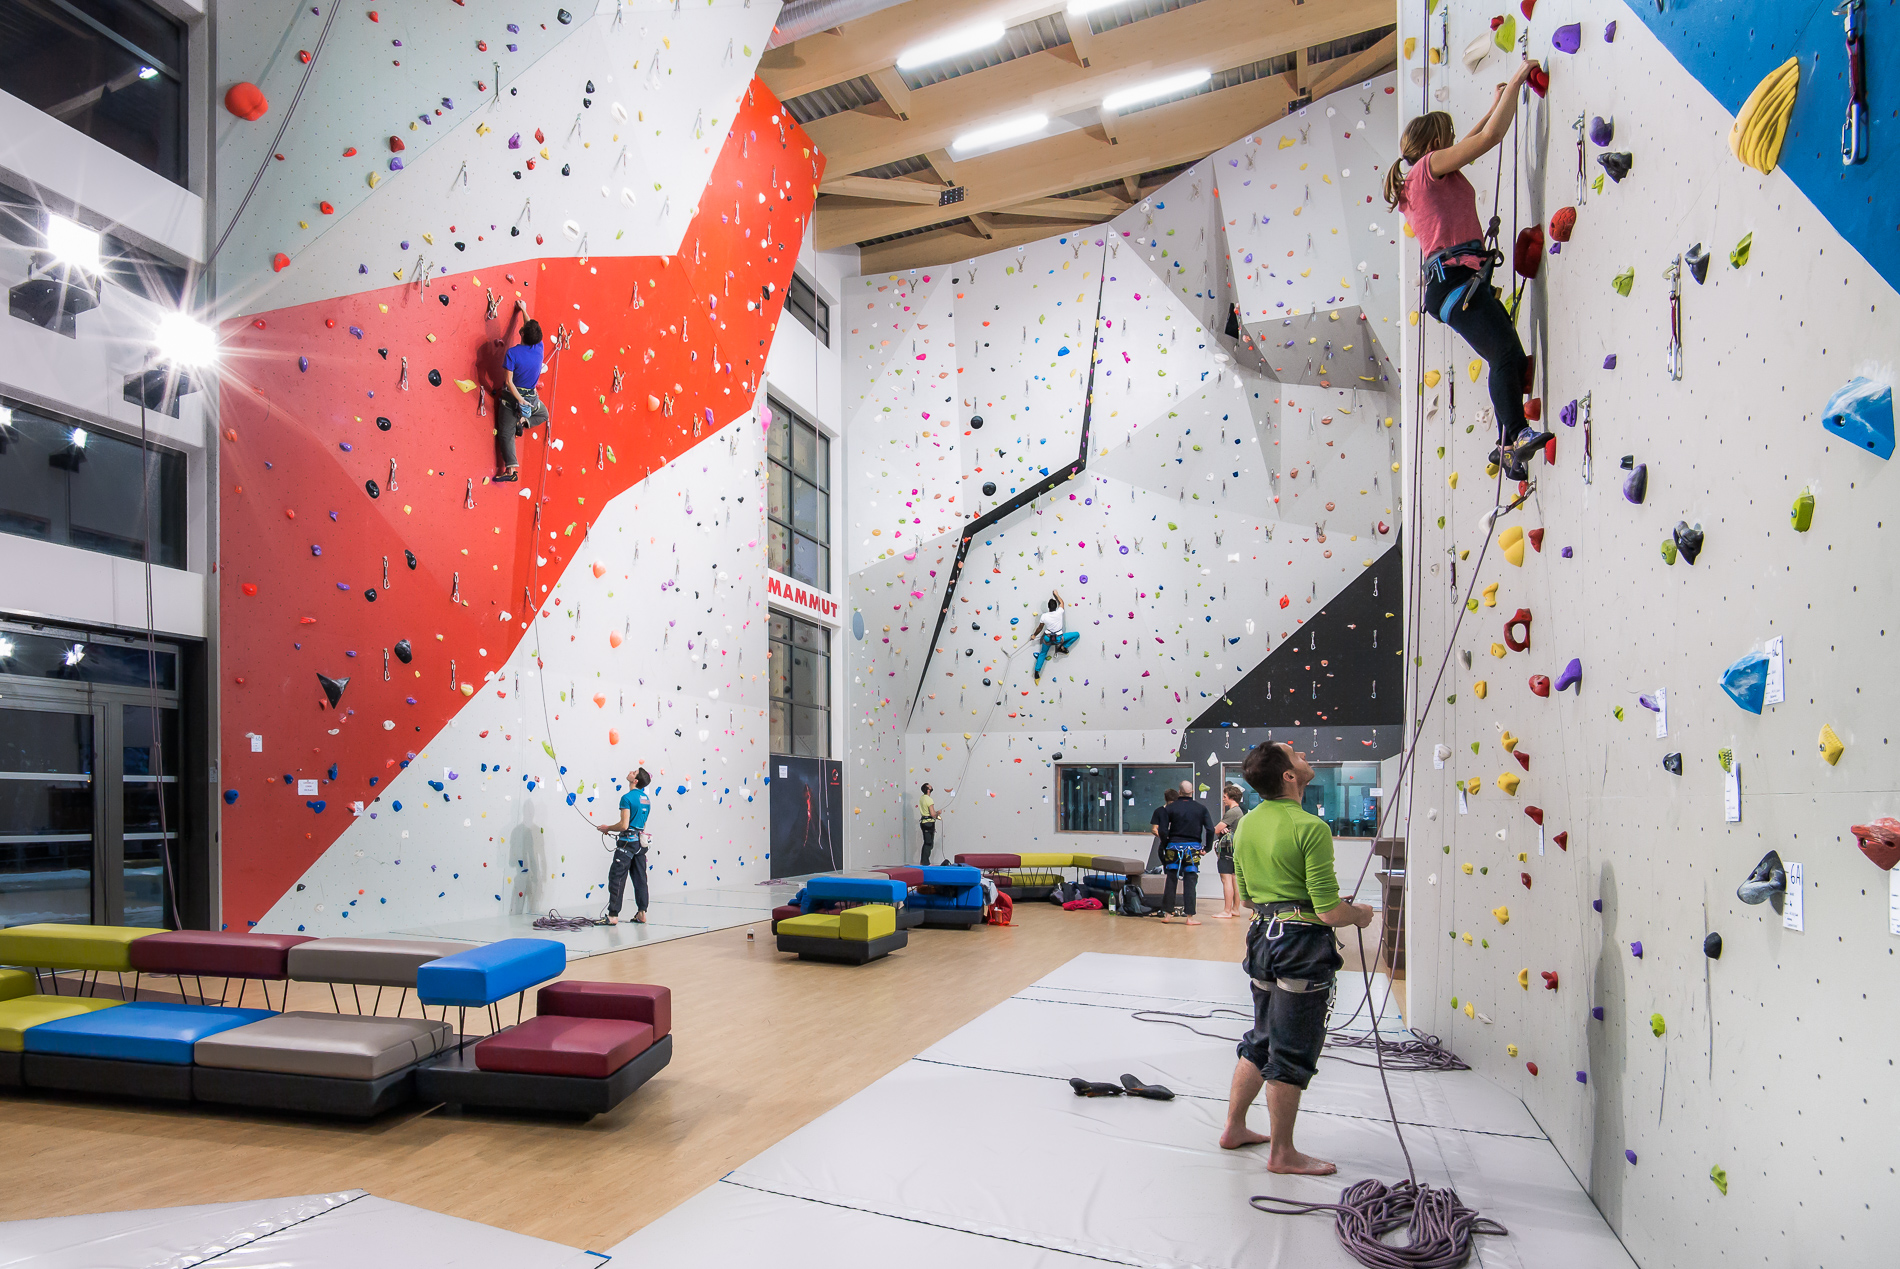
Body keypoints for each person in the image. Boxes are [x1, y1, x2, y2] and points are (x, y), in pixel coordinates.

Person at [1386, 57, 1553, 483]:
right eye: (1449, 139)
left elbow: (1478, 134)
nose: (1455, 144)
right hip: (1456, 281)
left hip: (1456, 282)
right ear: (1434, 145)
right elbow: (1490, 138)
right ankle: (1514, 436)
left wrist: (1497, 100)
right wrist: (1516, 81)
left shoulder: (1417, 181)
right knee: (1504, 356)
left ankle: (1507, 447)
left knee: (1512, 359)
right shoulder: (1427, 171)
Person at [1219, 742, 1377, 1175]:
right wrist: (1359, 915)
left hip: (1262, 941)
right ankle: (1283, 1153)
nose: (1304, 756)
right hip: (1301, 946)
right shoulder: (1310, 828)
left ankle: (1234, 1127)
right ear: (1289, 776)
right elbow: (1329, 913)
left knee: (1262, 1036)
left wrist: (1299, 904)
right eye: (1295, 754)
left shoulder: (1245, 825)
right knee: (1291, 1051)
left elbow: (1250, 898)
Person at [496, 302, 550, 482]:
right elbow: (529, 329)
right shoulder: (539, 347)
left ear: (521, 334)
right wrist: (524, 310)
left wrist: (519, 400)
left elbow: (508, 382)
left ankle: (510, 470)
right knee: (543, 414)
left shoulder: (512, 353)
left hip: (513, 398)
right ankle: (524, 420)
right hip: (532, 400)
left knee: (505, 433)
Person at [593, 767, 653, 924]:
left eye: (634, 772)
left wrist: (607, 828)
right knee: (640, 878)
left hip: (627, 844)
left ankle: (613, 915)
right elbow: (643, 823)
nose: (630, 772)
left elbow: (624, 825)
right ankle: (642, 912)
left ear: (635, 781)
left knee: (617, 877)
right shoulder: (646, 799)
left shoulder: (626, 798)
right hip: (640, 843)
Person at [1159, 782, 1215, 924]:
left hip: (1173, 847)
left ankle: (1167, 914)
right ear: (1192, 791)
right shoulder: (1201, 809)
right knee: (1190, 880)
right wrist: (1206, 848)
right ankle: (1189, 917)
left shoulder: (1170, 808)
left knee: (1171, 879)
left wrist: (1166, 845)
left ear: (1179, 792)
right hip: (1192, 850)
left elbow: (1163, 830)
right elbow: (1211, 829)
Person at [1212, 783, 1245, 919]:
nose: (1223, 799)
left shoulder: (1232, 812)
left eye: (1225, 797)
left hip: (1227, 851)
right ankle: (1235, 909)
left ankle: (1226, 910)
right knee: (1234, 879)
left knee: (1226, 879)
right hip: (1236, 850)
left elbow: (1216, 829)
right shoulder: (1240, 812)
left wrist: (1220, 831)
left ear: (1232, 798)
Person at [1031, 591, 1080, 683]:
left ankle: (1037, 674)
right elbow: (1062, 603)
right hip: (1058, 639)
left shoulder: (1044, 616)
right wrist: (1057, 595)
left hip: (1047, 639)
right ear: (1056, 607)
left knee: (1042, 654)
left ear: (1048, 608)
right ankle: (1063, 647)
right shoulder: (1059, 612)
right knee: (1076, 635)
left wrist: (1034, 635)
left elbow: (1040, 628)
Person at [918, 783, 939, 865]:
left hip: (923, 822)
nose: (931, 786)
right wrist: (938, 813)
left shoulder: (922, 798)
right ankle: (925, 862)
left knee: (926, 842)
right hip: (929, 823)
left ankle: (923, 861)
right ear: (928, 789)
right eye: (930, 786)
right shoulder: (929, 800)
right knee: (929, 843)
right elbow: (933, 814)